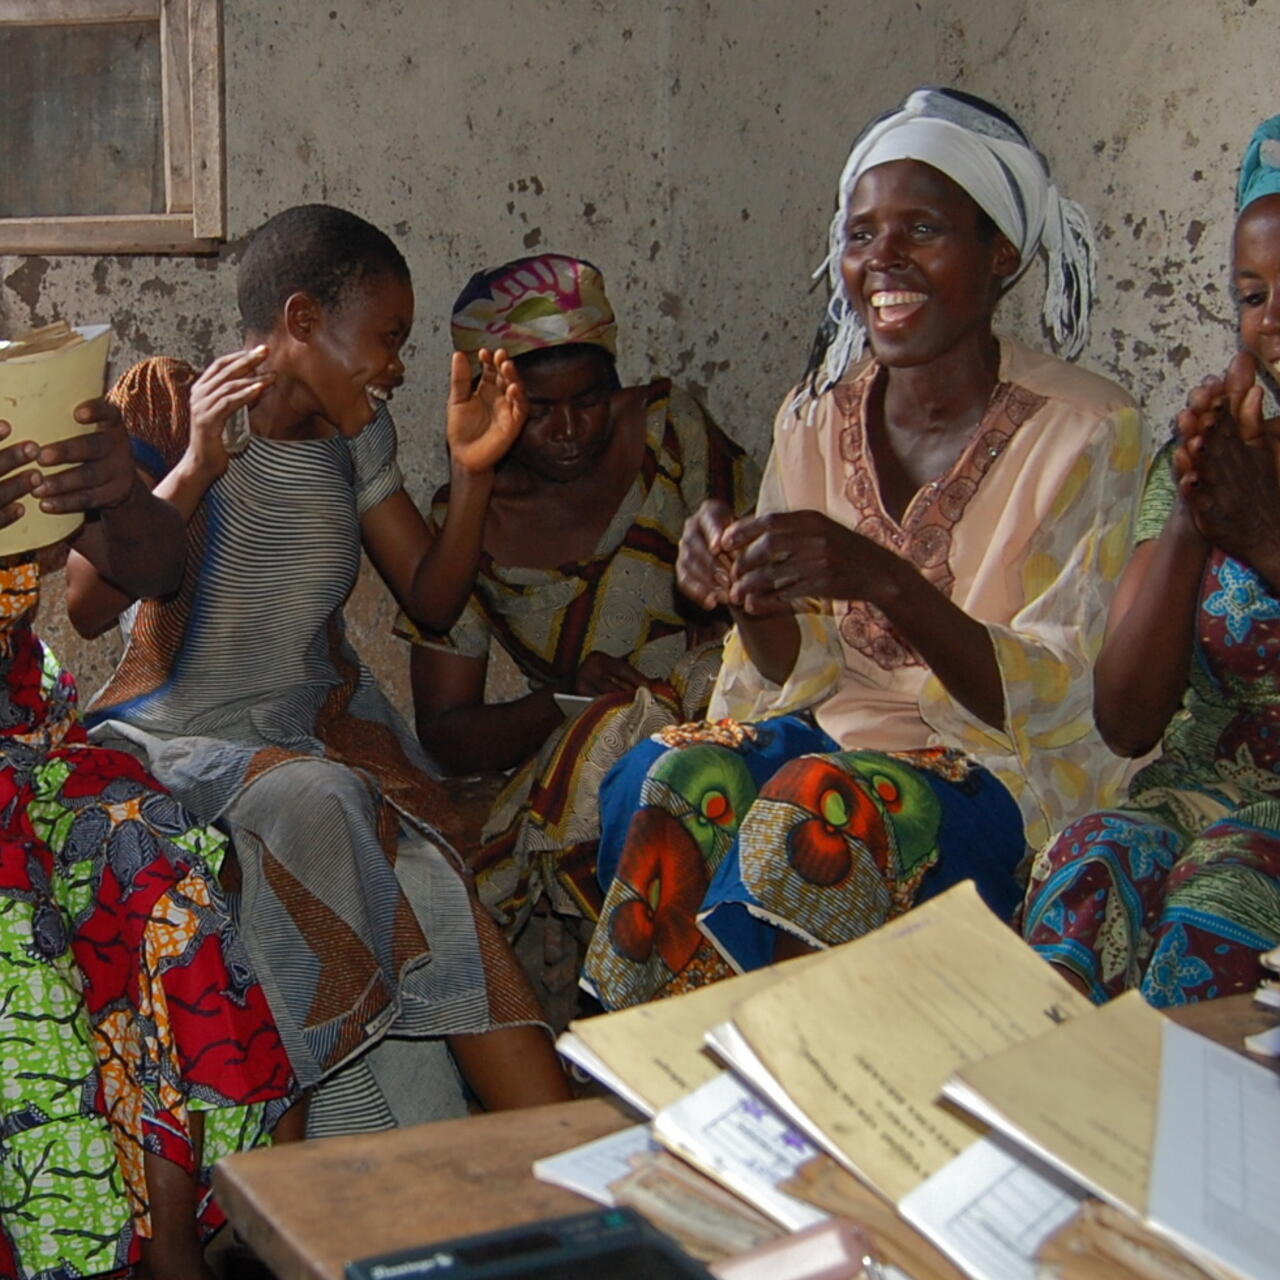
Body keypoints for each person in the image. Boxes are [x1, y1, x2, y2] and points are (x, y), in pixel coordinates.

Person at [583, 87, 1149, 1010]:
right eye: (860, 234)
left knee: (814, 818)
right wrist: (746, 592)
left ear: (999, 256)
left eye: (921, 229)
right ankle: (679, 1087)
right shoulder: (815, 416)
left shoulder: (1088, 429)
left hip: (996, 776)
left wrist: (884, 578)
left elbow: (1062, 700)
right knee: (664, 776)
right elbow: (787, 668)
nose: (881, 259)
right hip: (823, 738)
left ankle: (794, 1096)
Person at [70, 204, 571, 1138]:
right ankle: (284, 1169)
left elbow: (429, 596)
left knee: (432, 886)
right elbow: (89, 602)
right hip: (176, 738)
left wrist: (471, 474)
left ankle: (584, 1180)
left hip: (304, 740)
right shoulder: (171, 399)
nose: (396, 365)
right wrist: (196, 467)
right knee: (325, 804)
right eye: (387, 337)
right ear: (302, 321)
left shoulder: (357, 443)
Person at [0, 396, 297, 1279]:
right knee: (24, 956)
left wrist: (118, 494)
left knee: (157, 854)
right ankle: (81, 1253)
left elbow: (158, 567)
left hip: (27, 747)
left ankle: (179, 1242)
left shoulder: (18, 406)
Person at [399, 254, 759, 939]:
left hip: (722, 712)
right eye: (538, 410)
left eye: (589, 400)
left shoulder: (667, 430)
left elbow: (754, 594)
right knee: (603, 756)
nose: (569, 430)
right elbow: (445, 730)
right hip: (586, 753)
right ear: (493, 398)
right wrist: (561, 699)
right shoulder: (471, 522)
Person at [1021, 117, 1280, 1006]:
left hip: (1250, 837)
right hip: (1208, 791)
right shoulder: (1229, 458)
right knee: (1093, 859)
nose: (1272, 322)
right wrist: (1195, 517)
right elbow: (1127, 719)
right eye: (1252, 294)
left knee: (1221, 899)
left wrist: (1264, 541)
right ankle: (1048, 1132)